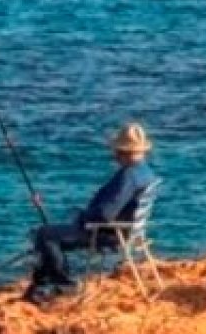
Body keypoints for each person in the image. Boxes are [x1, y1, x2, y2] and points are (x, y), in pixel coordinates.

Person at [23, 123, 156, 304]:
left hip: (107, 233)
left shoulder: (128, 177)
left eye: (117, 151)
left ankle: (63, 285)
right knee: (50, 232)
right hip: (126, 231)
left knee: (45, 235)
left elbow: (105, 214)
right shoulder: (144, 172)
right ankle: (43, 284)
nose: (114, 155)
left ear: (123, 152)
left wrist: (83, 217)